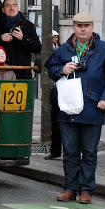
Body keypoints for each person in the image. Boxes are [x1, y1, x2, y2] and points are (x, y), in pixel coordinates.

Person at [46, 12, 105, 204]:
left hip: (93, 107)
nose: (82, 29)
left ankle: (86, 190)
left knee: (89, 151)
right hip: (68, 107)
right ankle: (70, 188)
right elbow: (50, 70)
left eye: (86, 25)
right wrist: (60, 70)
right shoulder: (63, 49)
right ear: (73, 27)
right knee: (70, 151)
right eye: (79, 25)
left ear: (92, 27)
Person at [0, 0, 41, 79]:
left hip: (22, 74)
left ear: (18, 8)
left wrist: (23, 38)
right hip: (1, 73)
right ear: (3, 10)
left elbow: (37, 47)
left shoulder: (27, 25)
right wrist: (0, 39)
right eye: (8, 6)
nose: (12, 8)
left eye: (14, 5)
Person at [46, 30, 63, 160]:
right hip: (58, 91)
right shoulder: (60, 52)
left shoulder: (62, 48)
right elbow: (49, 67)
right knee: (56, 123)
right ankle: (55, 149)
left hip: (71, 93)